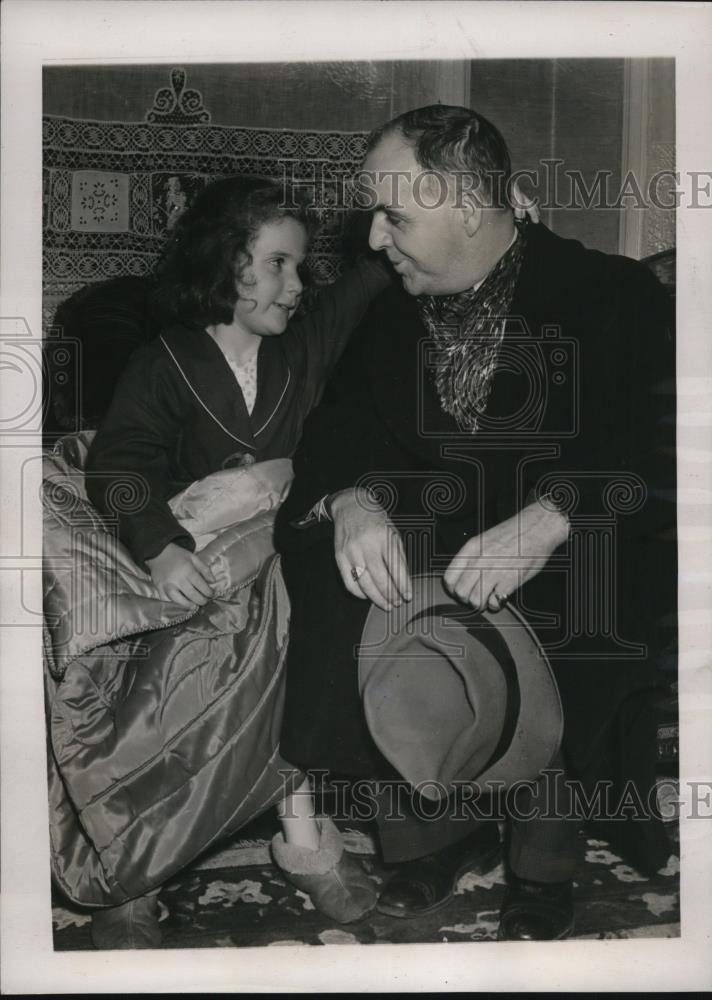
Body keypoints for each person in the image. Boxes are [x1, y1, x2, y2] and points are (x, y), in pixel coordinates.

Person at [274, 105, 674, 940]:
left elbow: (655, 448)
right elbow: (331, 438)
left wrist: (556, 512)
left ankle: (544, 860)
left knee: (577, 590)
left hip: (572, 546)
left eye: (395, 216)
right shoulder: (389, 310)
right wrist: (352, 503)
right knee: (348, 571)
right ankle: (430, 835)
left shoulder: (610, 293)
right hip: (435, 548)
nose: (377, 239)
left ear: (464, 204)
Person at [84, 174, 394, 940]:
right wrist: (156, 548)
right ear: (229, 267)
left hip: (280, 570)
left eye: (300, 265)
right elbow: (119, 466)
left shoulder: (305, 349)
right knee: (178, 676)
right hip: (191, 573)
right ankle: (135, 868)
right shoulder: (165, 363)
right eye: (280, 264)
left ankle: (300, 833)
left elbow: (369, 277)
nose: (298, 282)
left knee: (299, 635)